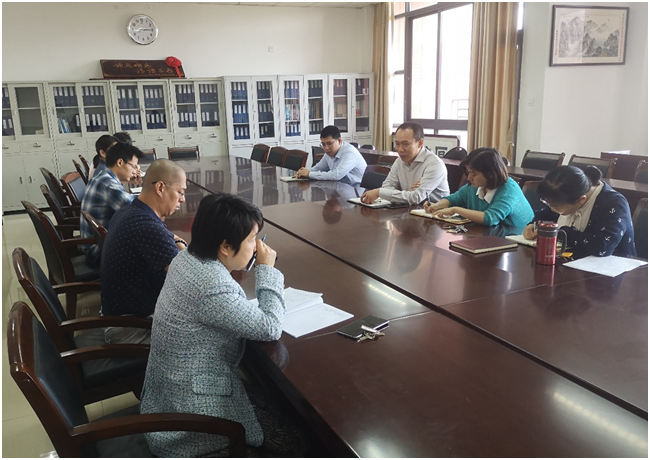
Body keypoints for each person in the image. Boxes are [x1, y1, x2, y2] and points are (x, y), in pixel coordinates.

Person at [141, 194, 312, 457]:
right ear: (224, 245)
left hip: (169, 393)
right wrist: (266, 270)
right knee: (301, 440)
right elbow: (270, 326)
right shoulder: (212, 285)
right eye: (251, 239)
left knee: (274, 402)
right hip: (191, 415)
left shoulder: (186, 259)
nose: (256, 247)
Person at [100, 159, 188, 344]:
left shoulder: (130, 211)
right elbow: (190, 278)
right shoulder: (146, 226)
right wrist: (180, 244)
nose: (183, 199)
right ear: (160, 188)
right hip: (130, 329)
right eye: (180, 192)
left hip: (119, 314)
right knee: (209, 334)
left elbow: (168, 238)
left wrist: (177, 241)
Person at [522, 165, 636, 259]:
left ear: (581, 200)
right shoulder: (562, 196)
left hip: (611, 270)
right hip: (572, 262)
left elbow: (603, 247)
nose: (551, 208)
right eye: (547, 203)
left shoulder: (614, 203)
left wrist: (561, 233)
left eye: (555, 206)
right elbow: (545, 215)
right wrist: (533, 225)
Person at [423, 147, 534, 228]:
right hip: (490, 237)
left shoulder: (508, 190)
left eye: (474, 174)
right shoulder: (477, 185)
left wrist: (455, 210)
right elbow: (453, 199)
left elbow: (490, 218)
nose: (469, 178)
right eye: (468, 172)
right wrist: (436, 206)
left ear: (490, 174)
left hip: (516, 242)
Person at [80, 142, 143, 266]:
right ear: (120, 162)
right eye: (134, 166)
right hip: (98, 251)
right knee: (150, 249)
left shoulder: (104, 176)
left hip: (97, 242)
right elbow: (138, 209)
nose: (136, 171)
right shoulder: (107, 183)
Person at [360, 122, 450, 205]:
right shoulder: (399, 161)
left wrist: (380, 192)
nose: (400, 149)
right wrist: (407, 194)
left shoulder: (434, 164)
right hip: (410, 210)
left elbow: (416, 197)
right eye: (397, 144)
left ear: (420, 143)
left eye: (405, 144)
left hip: (435, 214)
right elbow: (387, 187)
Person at [295, 125, 367, 184]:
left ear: (339, 141)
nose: (326, 148)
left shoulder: (349, 153)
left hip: (357, 190)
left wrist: (309, 174)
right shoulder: (329, 153)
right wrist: (303, 172)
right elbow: (317, 168)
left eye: (329, 144)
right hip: (340, 187)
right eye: (323, 144)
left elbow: (336, 175)